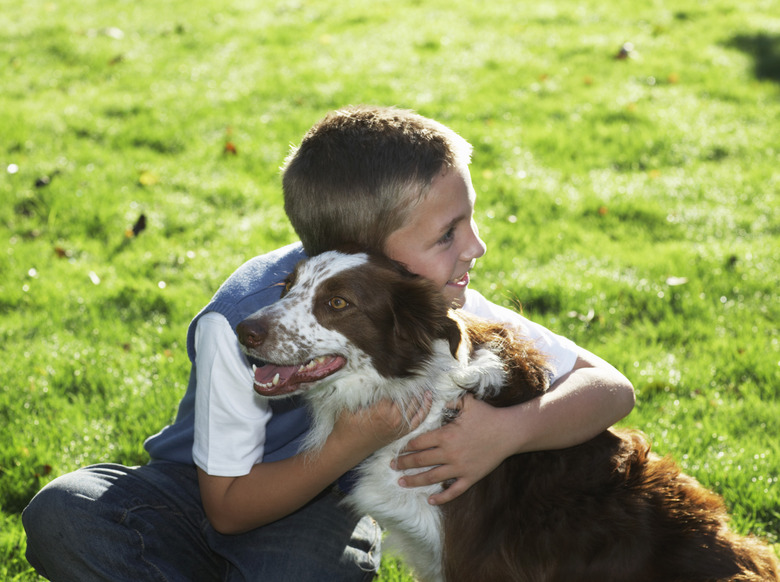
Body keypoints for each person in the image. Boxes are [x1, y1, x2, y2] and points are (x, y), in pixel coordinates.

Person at [23, 105, 635, 581]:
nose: (475, 247)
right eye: (448, 233)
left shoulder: (423, 299)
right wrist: (351, 440)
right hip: (195, 492)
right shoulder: (240, 320)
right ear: (364, 247)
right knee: (66, 513)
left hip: (315, 509)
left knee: (303, 571)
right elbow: (227, 508)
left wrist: (507, 432)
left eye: (469, 222)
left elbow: (609, 389)